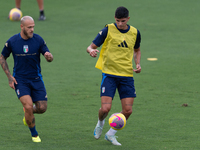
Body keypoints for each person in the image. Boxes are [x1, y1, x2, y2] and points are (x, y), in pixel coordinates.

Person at [86, 6, 141, 146]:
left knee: (128, 111)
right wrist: (91, 51)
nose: (120, 24)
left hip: (127, 76)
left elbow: (137, 50)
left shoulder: (135, 32)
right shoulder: (107, 30)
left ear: (128, 19)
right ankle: (100, 123)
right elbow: (90, 46)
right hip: (109, 74)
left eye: (123, 21)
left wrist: (138, 63)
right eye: (117, 21)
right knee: (105, 109)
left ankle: (110, 134)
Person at [0, 16, 53, 142]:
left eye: (33, 26)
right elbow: (2, 57)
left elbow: (49, 56)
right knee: (29, 106)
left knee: (42, 108)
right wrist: (9, 77)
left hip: (36, 79)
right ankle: (34, 134)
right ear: (22, 27)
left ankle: (27, 114)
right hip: (20, 80)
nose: (32, 29)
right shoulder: (12, 41)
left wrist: (49, 57)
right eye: (29, 27)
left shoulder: (38, 40)